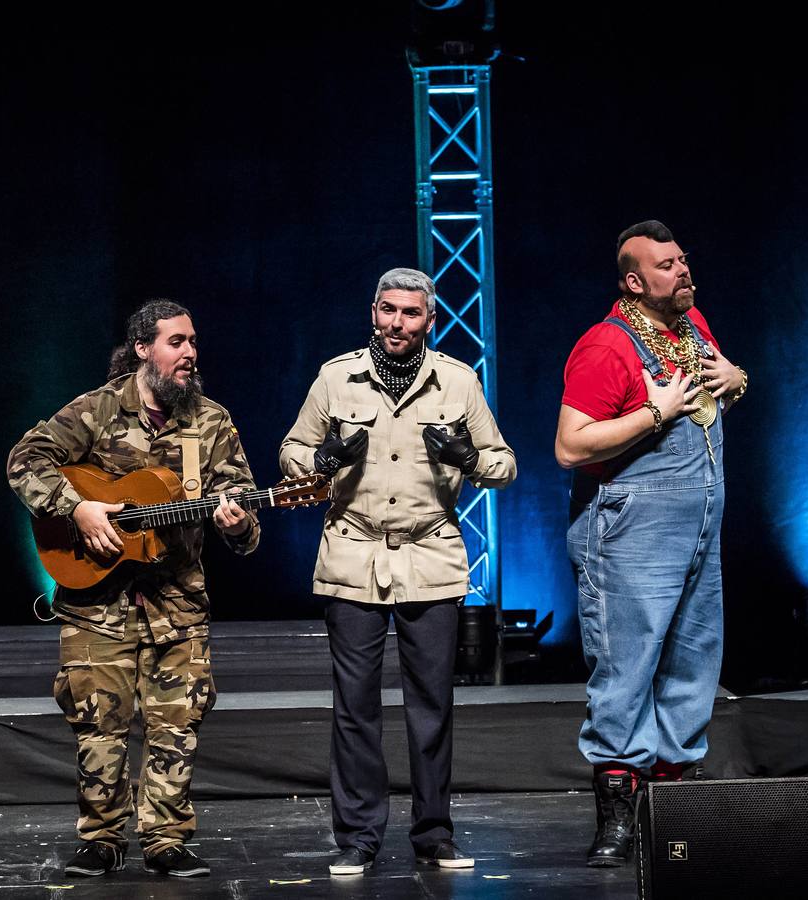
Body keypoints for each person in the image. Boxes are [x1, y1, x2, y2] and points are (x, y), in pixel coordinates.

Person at [7, 299, 259, 879]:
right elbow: (25, 459)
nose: (190, 353)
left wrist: (240, 523)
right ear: (143, 347)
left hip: (179, 604)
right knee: (99, 727)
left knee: (177, 724)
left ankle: (166, 840)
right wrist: (80, 509)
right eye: (176, 342)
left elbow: (245, 518)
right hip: (98, 604)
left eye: (193, 342)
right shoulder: (96, 409)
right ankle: (101, 838)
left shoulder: (212, 422)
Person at [279, 268, 515, 876]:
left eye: (411, 314)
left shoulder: (457, 382)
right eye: (388, 310)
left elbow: (504, 463)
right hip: (354, 551)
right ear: (373, 311)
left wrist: (466, 456)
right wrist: (326, 458)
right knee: (354, 704)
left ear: (429, 321)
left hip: (429, 553)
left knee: (431, 702)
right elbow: (291, 452)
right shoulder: (337, 376)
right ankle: (357, 836)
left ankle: (434, 833)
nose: (397, 323)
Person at [554, 220, 747, 867]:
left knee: (692, 665)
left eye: (683, 260)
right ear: (633, 282)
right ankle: (616, 818)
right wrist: (654, 412)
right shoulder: (605, 346)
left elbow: (719, 393)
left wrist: (737, 376)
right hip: (629, 534)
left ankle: (671, 810)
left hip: (696, 531)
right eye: (665, 266)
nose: (682, 272)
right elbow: (569, 445)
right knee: (627, 668)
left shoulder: (692, 330)